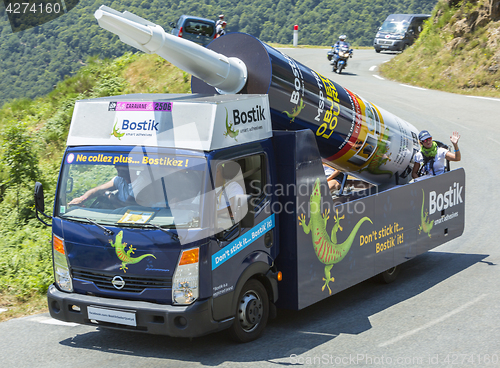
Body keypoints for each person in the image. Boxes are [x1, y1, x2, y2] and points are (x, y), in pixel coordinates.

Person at [68, 165, 136, 206]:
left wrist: (110, 197)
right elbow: (97, 190)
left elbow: (127, 207)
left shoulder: (139, 182)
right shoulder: (119, 179)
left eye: (119, 165)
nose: (115, 167)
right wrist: (82, 199)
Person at [215, 161, 245, 228]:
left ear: (221, 172)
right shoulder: (207, 188)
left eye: (216, 171)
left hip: (228, 228)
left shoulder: (233, 186)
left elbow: (235, 206)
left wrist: (216, 213)